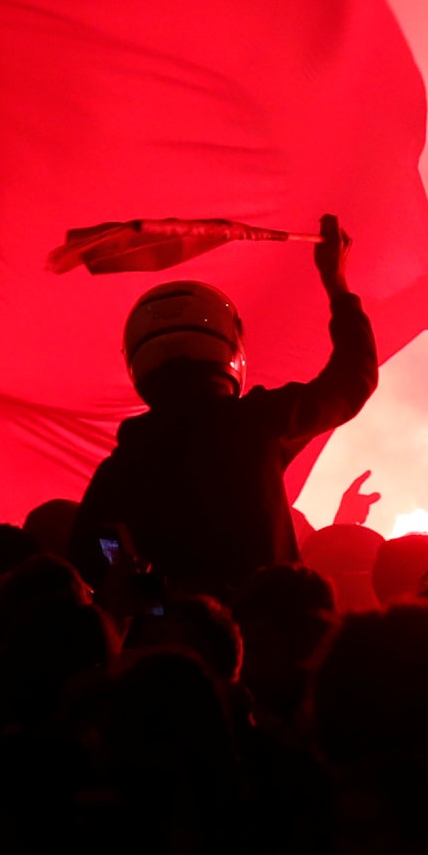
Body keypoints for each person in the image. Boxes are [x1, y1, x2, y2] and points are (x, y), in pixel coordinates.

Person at [72, 214, 374, 600]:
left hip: (180, 645)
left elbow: (93, 550)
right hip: (274, 632)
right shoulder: (260, 422)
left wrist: (154, 601)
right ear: (229, 343)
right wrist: (337, 284)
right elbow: (352, 380)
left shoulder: (125, 463)